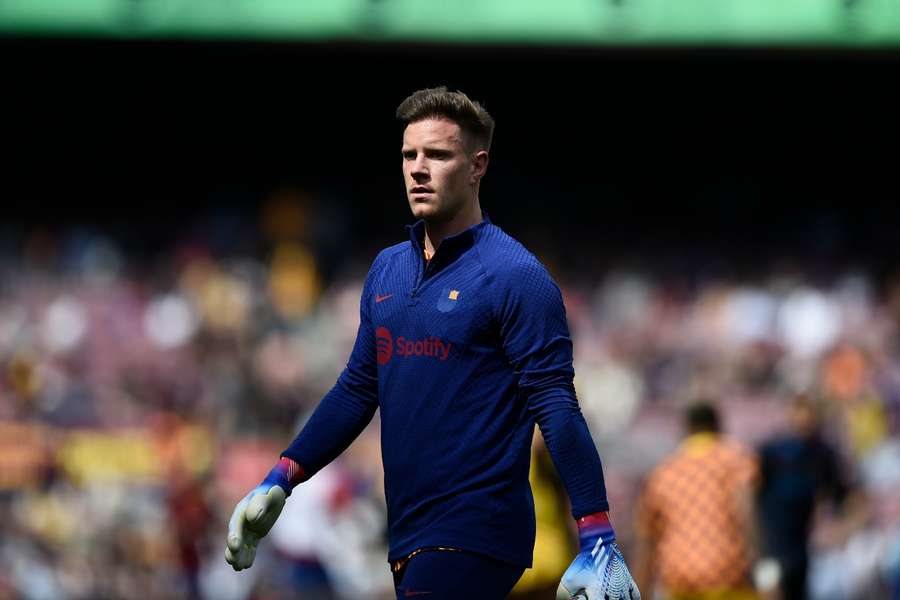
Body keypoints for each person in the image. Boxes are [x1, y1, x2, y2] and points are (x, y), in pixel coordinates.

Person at [224, 86, 639, 600]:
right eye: (409, 155)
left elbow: (557, 407)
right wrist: (281, 476)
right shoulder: (386, 269)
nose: (418, 168)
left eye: (438, 155)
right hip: (408, 535)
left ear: (476, 166)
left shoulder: (516, 276)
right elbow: (356, 391)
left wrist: (596, 532)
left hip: (478, 532)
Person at [634, 402, 758, 600]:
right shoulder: (734, 460)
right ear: (718, 427)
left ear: (686, 430)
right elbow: (743, 510)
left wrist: (642, 590)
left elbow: (648, 542)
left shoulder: (663, 473)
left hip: (680, 583)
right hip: (727, 578)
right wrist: (763, 566)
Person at [756, 393, 859, 600]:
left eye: (810, 411)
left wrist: (842, 529)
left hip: (804, 551)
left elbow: (850, 498)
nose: (805, 418)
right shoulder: (771, 452)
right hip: (769, 548)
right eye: (799, 410)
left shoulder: (823, 455)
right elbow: (750, 496)